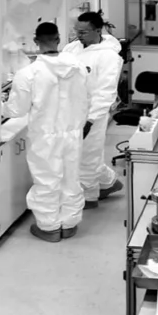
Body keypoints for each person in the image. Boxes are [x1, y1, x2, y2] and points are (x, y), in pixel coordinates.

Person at [2, 22, 89, 242]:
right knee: (70, 177)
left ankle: (49, 227)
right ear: (58, 39)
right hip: (72, 132)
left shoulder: (28, 73)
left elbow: (16, 110)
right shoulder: (78, 67)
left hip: (45, 136)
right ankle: (69, 224)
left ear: (35, 41)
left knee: (47, 179)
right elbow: (86, 98)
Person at [64, 11, 125, 208]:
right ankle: (109, 182)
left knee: (88, 155)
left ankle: (89, 198)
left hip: (93, 113)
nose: (78, 35)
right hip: (71, 110)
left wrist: (91, 120)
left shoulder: (108, 56)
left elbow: (106, 91)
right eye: (76, 31)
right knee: (75, 154)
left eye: (83, 32)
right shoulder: (71, 48)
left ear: (98, 30)